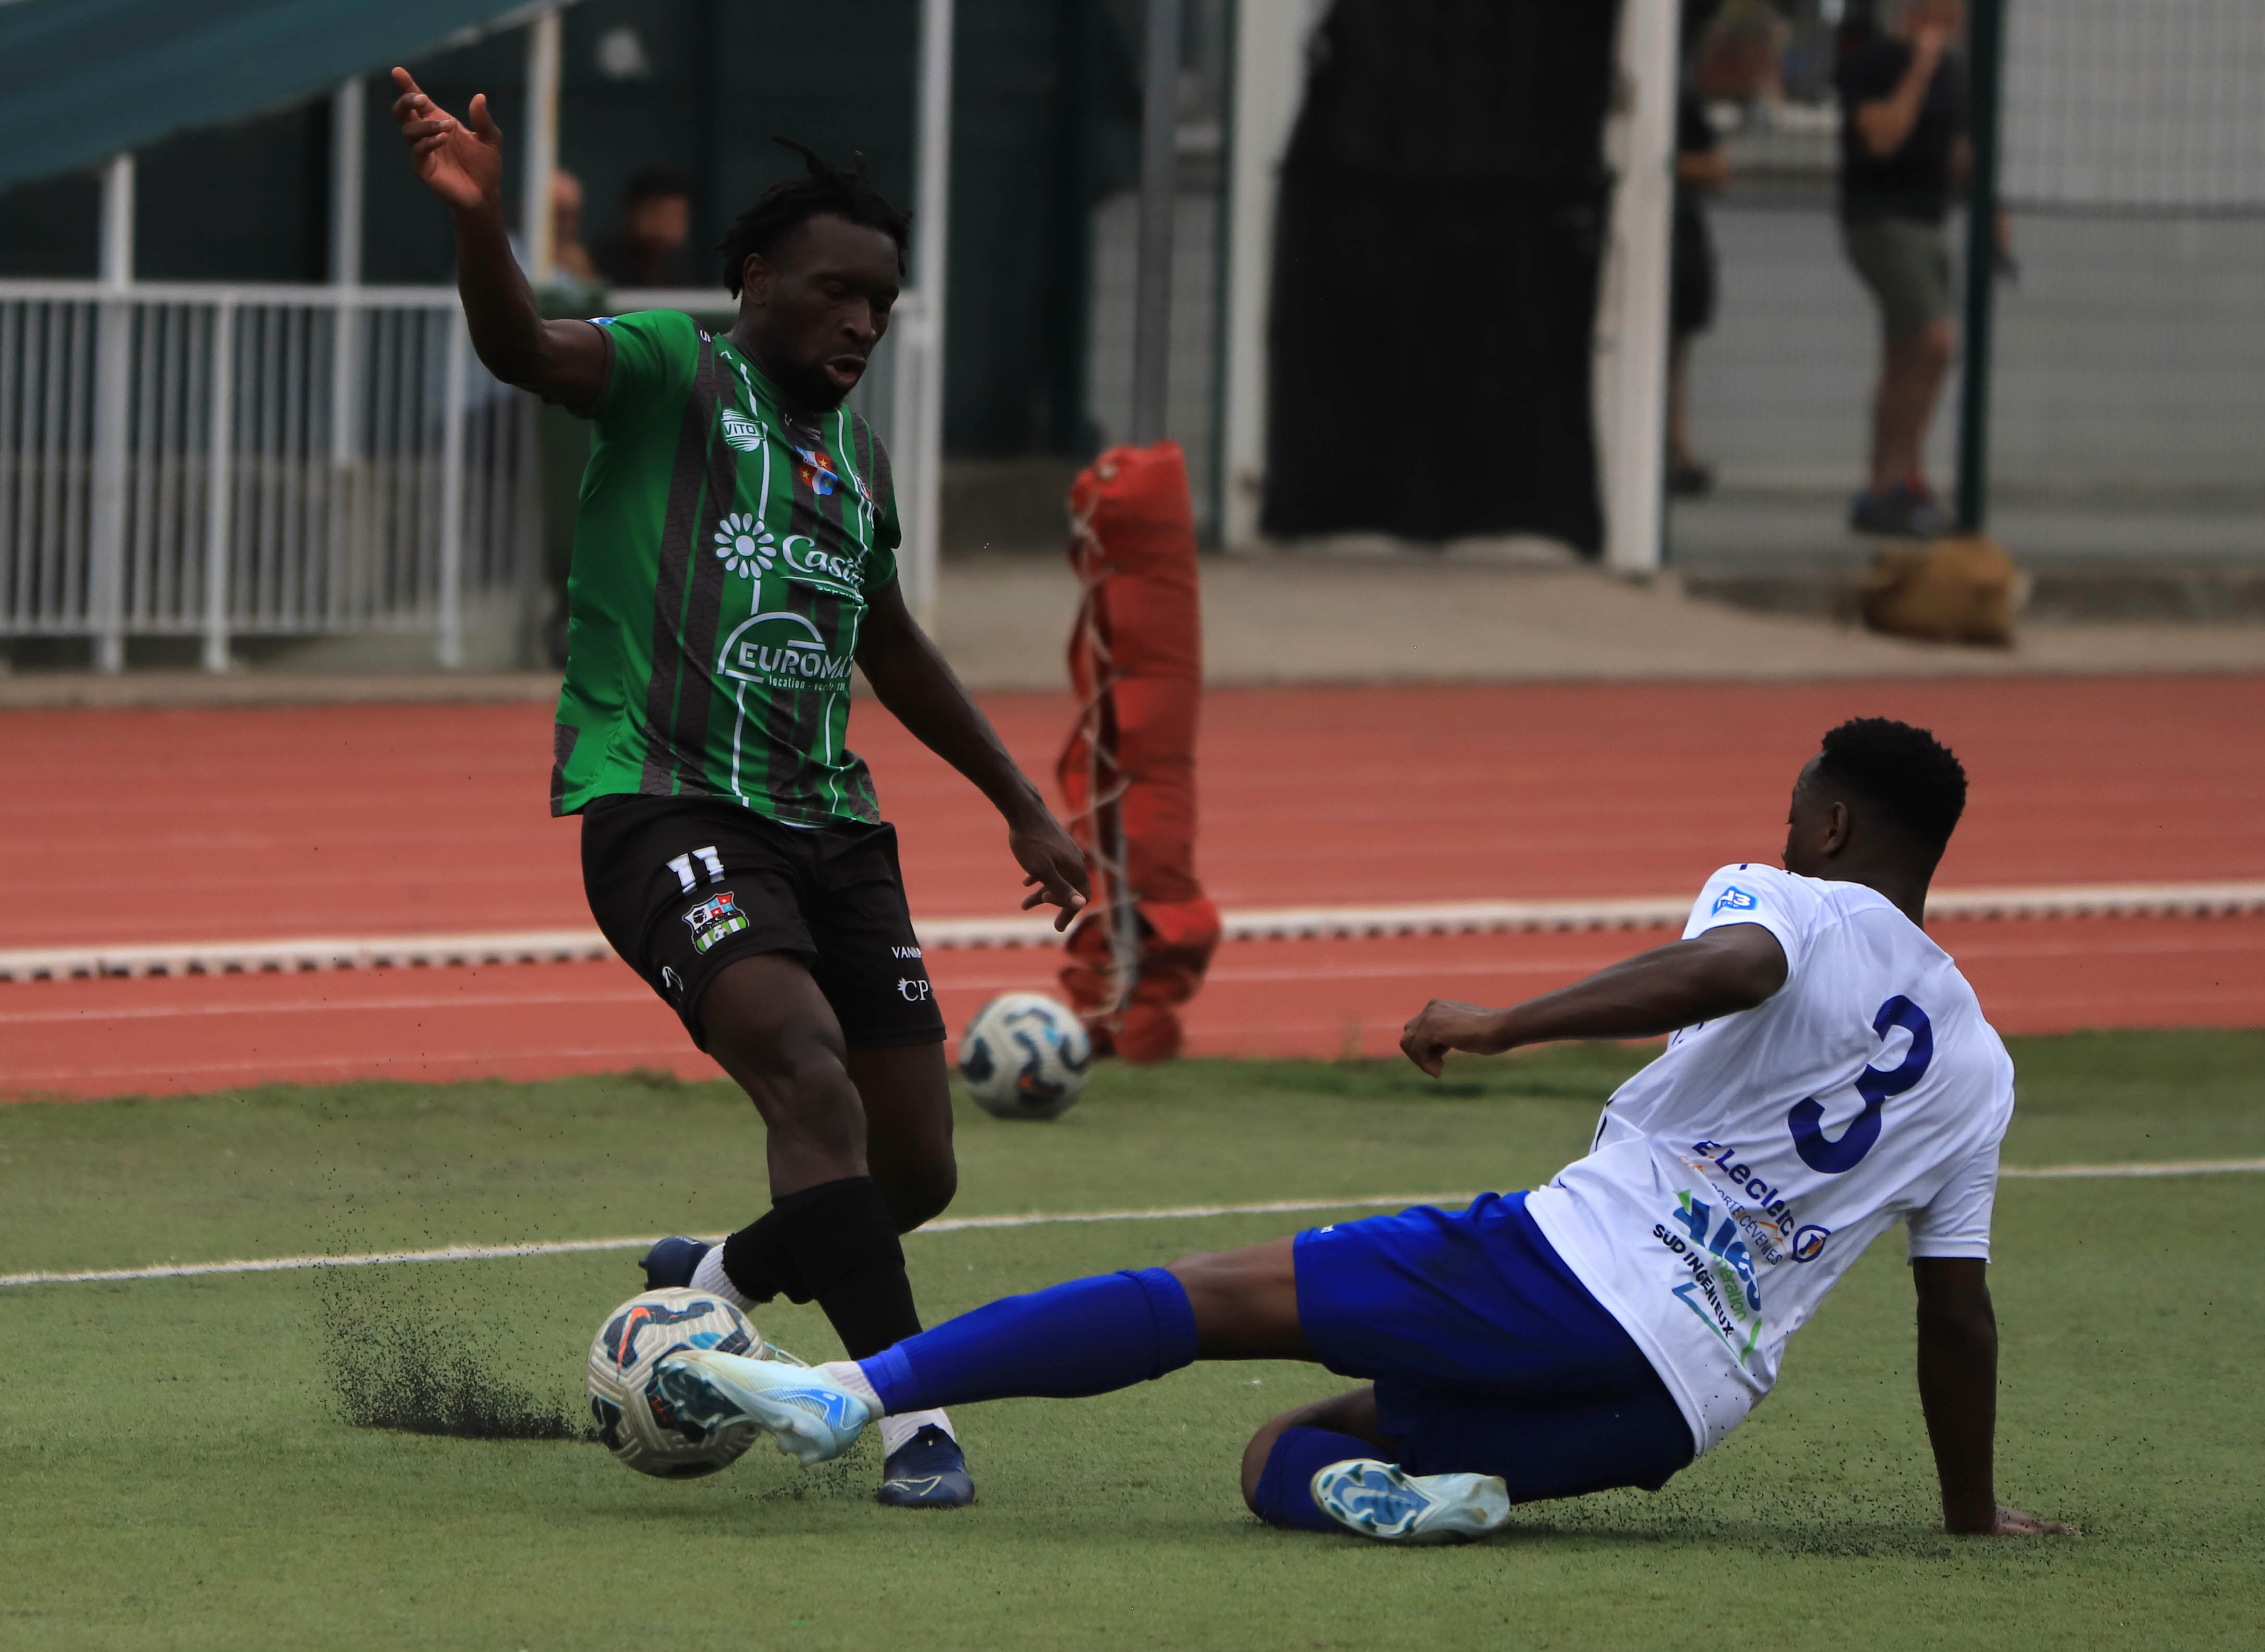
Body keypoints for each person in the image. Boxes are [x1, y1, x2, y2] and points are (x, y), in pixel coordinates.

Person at [649, 718, 2075, 1545]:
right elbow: (1959, 1317)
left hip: (1570, 1270)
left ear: (1827, 821)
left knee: (1191, 1300)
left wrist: (1506, 1020)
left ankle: (860, 1390)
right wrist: (1972, 1517)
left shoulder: (1791, 898)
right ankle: (1426, 1501)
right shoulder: (1981, 1065)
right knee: (1282, 1461)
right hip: (1675, 1408)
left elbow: (1736, 970)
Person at [388, 70, 1090, 1509]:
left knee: (918, 1169)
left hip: (834, 823)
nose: (860, 325)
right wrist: (478, 225)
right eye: (835, 294)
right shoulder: (666, 370)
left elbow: (888, 643)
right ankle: (907, 1421)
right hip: (665, 806)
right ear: (756, 280)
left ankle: (716, 1279)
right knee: (806, 1071)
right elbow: (521, 347)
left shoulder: (858, 461)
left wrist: (1020, 801)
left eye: (881, 307)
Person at [1837, 0, 1970, 538]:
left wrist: (1995, 204)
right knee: (1934, 341)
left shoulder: (1957, 74)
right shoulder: (1872, 64)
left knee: (1907, 358)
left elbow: (1958, 152)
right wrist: (1917, 70)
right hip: (1881, 221)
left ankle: (1890, 479)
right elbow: (1882, 136)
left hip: (1929, 221)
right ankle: (1899, 476)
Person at [1667, 83, 1728, 497]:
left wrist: (1665, 164)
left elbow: (1717, 169)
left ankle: (1676, 453)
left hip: (1679, 241)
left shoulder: (1681, 101)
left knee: (1674, 353)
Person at [593, 166, 696, 288]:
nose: (665, 229)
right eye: (656, 215)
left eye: (676, 218)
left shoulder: (681, 275)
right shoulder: (598, 267)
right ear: (632, 214)